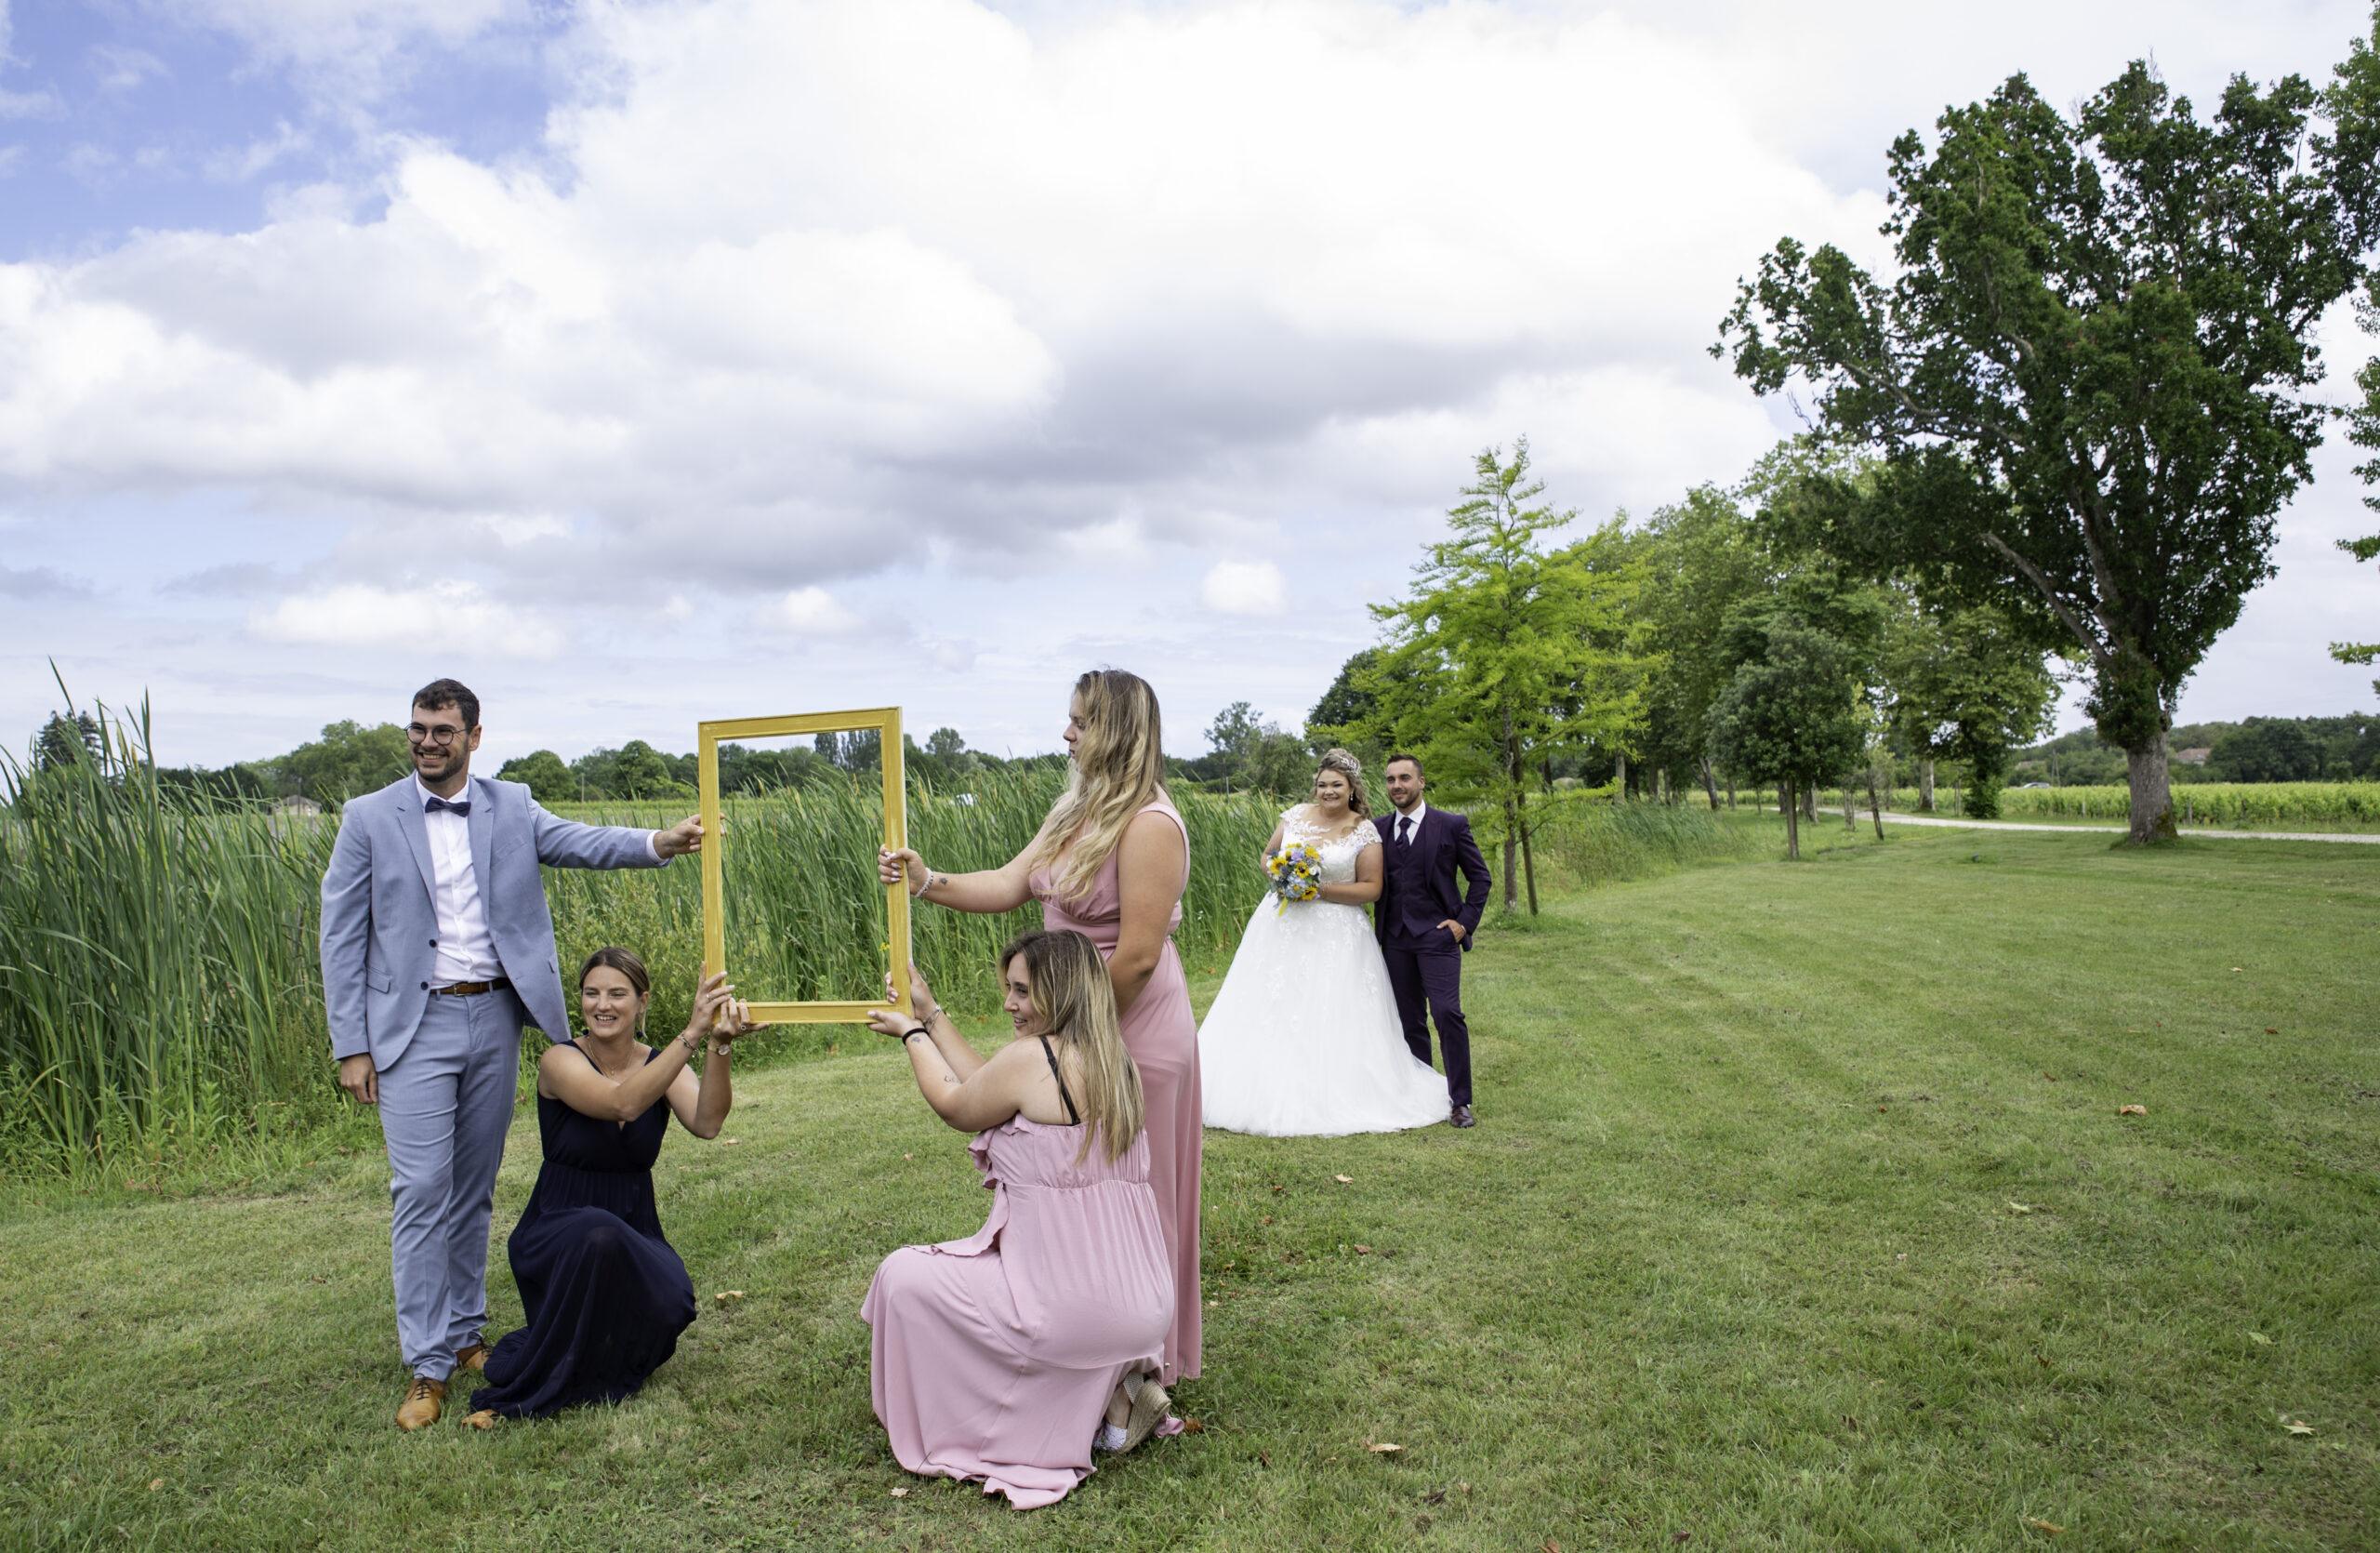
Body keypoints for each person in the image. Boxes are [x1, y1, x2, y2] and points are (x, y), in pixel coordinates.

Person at [318, 678, 704, 1430]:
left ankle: (466, 1333)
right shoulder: (368, 818)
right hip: (411, 1026)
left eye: (443, 730)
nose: (428, 741)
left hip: (495, 1015)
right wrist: (352, 1044)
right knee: (421, 1191)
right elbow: (340, 935)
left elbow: (584, 842)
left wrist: (659, 842)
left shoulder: (513, 806)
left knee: (473, 1187)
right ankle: (427, 1365)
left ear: (473, 736)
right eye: (418, 728)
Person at [878, 669, 1201, 1384]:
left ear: (1115, 730)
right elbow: (1006, 883)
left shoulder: (1151, 826)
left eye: (1081, 722)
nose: (1068, 733)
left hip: (1130, 1022)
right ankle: (1072, 1337)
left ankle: (1144, 1366)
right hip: (1068, 1016)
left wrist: (1068, 1036)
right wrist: (927, 880)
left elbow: (1141, 956)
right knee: (1066, 1184)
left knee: (1137, 1189)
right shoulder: (1071, 813)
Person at [861, 932, 1176, 1509]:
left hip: (1070, 1307)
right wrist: (931, 1014)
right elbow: (992, 1083)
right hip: (1144, 1305)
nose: (1009, 1002)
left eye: (1023, 991)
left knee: (904, 1276)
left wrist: (910, 1033)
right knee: (990, 1281)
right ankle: (1114, 1399)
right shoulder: (1115, 1062)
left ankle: (1025, 1413)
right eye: (1008, 988)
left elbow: (959, 1105)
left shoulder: (1036, 1059)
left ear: (1062, 992)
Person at [460, 952, 760, 1426]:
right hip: (558, 1223)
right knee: (596, 1233)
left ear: (641, 1003)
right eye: (592, 993)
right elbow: (622, 1104)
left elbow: (707, 1123)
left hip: (632, 1222)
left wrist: (718, 1046)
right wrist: (693, 1031)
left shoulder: (662, 1063)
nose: (602, 1005)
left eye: (617, 994)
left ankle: (591, 1351)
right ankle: (535, 1390)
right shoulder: (560, 1060)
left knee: (674, 1300)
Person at [1197, 750, 1450, 1135]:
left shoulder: (1364, 829)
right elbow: (1267, 855)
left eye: (1336, 785)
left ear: (1351, 789)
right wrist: (1281, 874)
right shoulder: (1294, 816)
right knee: (1272, 1002)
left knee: (1330, 1006)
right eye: (1322, 785)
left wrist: (1318, 889)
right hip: (1280, 926)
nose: (1328, 791)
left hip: (1337, 934)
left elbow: (1372, 889)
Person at [1375, 752, 1490, 1127]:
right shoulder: (1377, 830)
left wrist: (1463, 923)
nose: (1397, 786)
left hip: (1438, 936)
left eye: (1405, 778)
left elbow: (1480, 878)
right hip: (1395, 939)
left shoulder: (1451, 825)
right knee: (1409, 1020)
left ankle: (1460, 1101)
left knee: (1446, 1013)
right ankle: (1420, 1094)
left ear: (1421, 782)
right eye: (1391, 779)